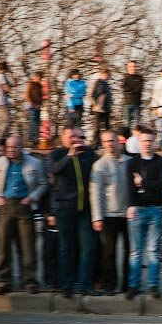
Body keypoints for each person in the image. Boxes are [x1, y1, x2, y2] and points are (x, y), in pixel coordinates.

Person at [47, 126, 99, 297]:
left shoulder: (89, 155)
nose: (77, 140)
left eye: (80, 136)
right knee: (65, 248)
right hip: (65, 208)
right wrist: (70, 155)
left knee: (89, 247)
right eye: (72, 137)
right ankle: (66, 285)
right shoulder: (57, 154)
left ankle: (85, 284)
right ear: (64, 138)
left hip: (85, 208)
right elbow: (53, 171)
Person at [0, 136, 46, 294]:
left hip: (24, 205)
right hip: (6, 205)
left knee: (28, 246)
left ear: (21, 147)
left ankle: (29, 281)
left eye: (14, 147)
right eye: (8, 147)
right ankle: (3, 281)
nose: (11, 150)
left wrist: (32, 197)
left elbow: (42, 183)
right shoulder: (0, 162)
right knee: (3, 245)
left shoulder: (34, 163)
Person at [125, 126, 162, 300]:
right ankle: (134, 285)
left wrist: (143, 182)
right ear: (139, 142)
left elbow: (161, 186)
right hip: (137, 209)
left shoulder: (160, 161)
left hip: (156, 209)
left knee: (153, 251)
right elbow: (129, 187)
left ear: (154, 142)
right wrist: (131, 205)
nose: (147, 144)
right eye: (144, 141)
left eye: (150, 140)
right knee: (135, 252)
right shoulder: (132, 163)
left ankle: (153, 285)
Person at [90, 130, 131, 295]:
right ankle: (109, 284)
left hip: (129, 214)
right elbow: (95, 194)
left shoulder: (129, 162)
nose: (109, 144)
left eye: (112, 140)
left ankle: (128, 284)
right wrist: (97, 217)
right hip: (109, 215)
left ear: (118, 141)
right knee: (109, 252)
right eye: (106, 141)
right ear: (102, 143)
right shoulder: (99, 166)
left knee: (130, 251)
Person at [0, 62, 14, 144]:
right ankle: (0, 140)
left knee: (3, 121)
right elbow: (7, 89)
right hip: (3, 101)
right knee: (6, 121)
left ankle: (1, 140)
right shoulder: (1, 76)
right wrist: (9, 88)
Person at [121, 61, 144, 130]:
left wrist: (131, 90)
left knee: (138, 123)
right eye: (131, 66)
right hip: (127, 103)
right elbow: (124, 88)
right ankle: (127, 138)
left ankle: (138, 138)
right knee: (127, 123)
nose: (133, 68)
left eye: (134, 66)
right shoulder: (125, 78)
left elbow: (139, 88)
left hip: (137, 103)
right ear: (128, 68)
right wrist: (134, 89)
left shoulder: (139, 77)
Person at [25, 72, 44, 147]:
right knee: (33, 121)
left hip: (38, 105)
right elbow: (27, 95)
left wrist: (40, 103)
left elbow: (40, 95)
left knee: (37, 122)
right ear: (35, 77)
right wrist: (32, 103)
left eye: (40, 79)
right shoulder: (31, 84)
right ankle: (30, 138)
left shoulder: (39, 85)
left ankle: (36, 140)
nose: (39, 80)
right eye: (38, 78)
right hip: (31, 105)